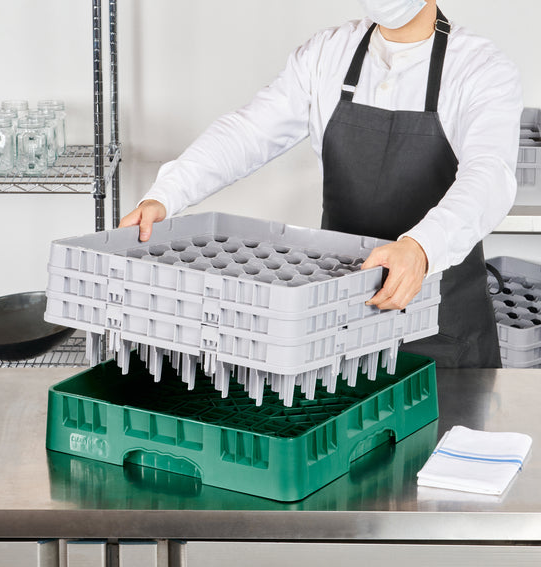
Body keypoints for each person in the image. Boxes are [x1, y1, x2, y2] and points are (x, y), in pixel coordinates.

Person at [120, 0, 523, 367]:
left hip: (444, 327)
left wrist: (421, 248)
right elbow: (247, 133)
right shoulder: (327, 54)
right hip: (340, 315)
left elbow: (489, 176)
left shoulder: (480, 68)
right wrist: (166, 195)